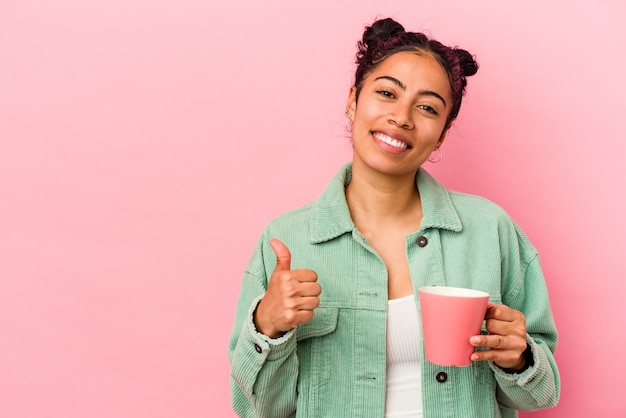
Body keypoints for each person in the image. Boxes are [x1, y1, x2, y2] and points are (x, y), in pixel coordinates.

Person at [228, 17, 560, 418]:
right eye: (387, 93)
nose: (402, 117)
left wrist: (519, 358)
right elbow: (258, 409)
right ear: (353, 100)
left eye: (426, 107)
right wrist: (268, 326)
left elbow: (540, 395)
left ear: (441, 134)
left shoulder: (490, 230)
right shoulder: (286, 239)